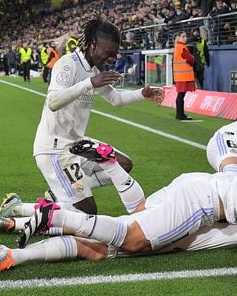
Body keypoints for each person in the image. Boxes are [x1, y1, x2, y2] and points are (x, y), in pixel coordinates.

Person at [0, 152, 237, 276]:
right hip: (204, 206)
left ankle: (19, 226)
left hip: (205, 190)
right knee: (134, 242)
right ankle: (57, 215)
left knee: (104, 246)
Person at [31, 15, 162, 217]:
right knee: (88, 213)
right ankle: (22, 211)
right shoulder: (68, 64)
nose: (111, 59)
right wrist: (91, 83)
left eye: (114, 55)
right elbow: (53, 102)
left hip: (77, 144)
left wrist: (142, 94)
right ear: (93, 46)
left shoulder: (92, 70)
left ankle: (64, 192)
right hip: (54, 149)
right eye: (108, 53)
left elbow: (116, 99)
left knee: (124, 164)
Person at [173, 31, 195, 120]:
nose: (185, 38)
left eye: (186, 36)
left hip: (180, 76)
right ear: (178, 38)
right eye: (183, 36)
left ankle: (180, 114)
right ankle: (180, 115)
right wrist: (193, 58)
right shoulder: (181, 47)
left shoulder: (178, 47)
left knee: (180, 95)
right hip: (183, 76)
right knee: (181, 96)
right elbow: (191, 59)